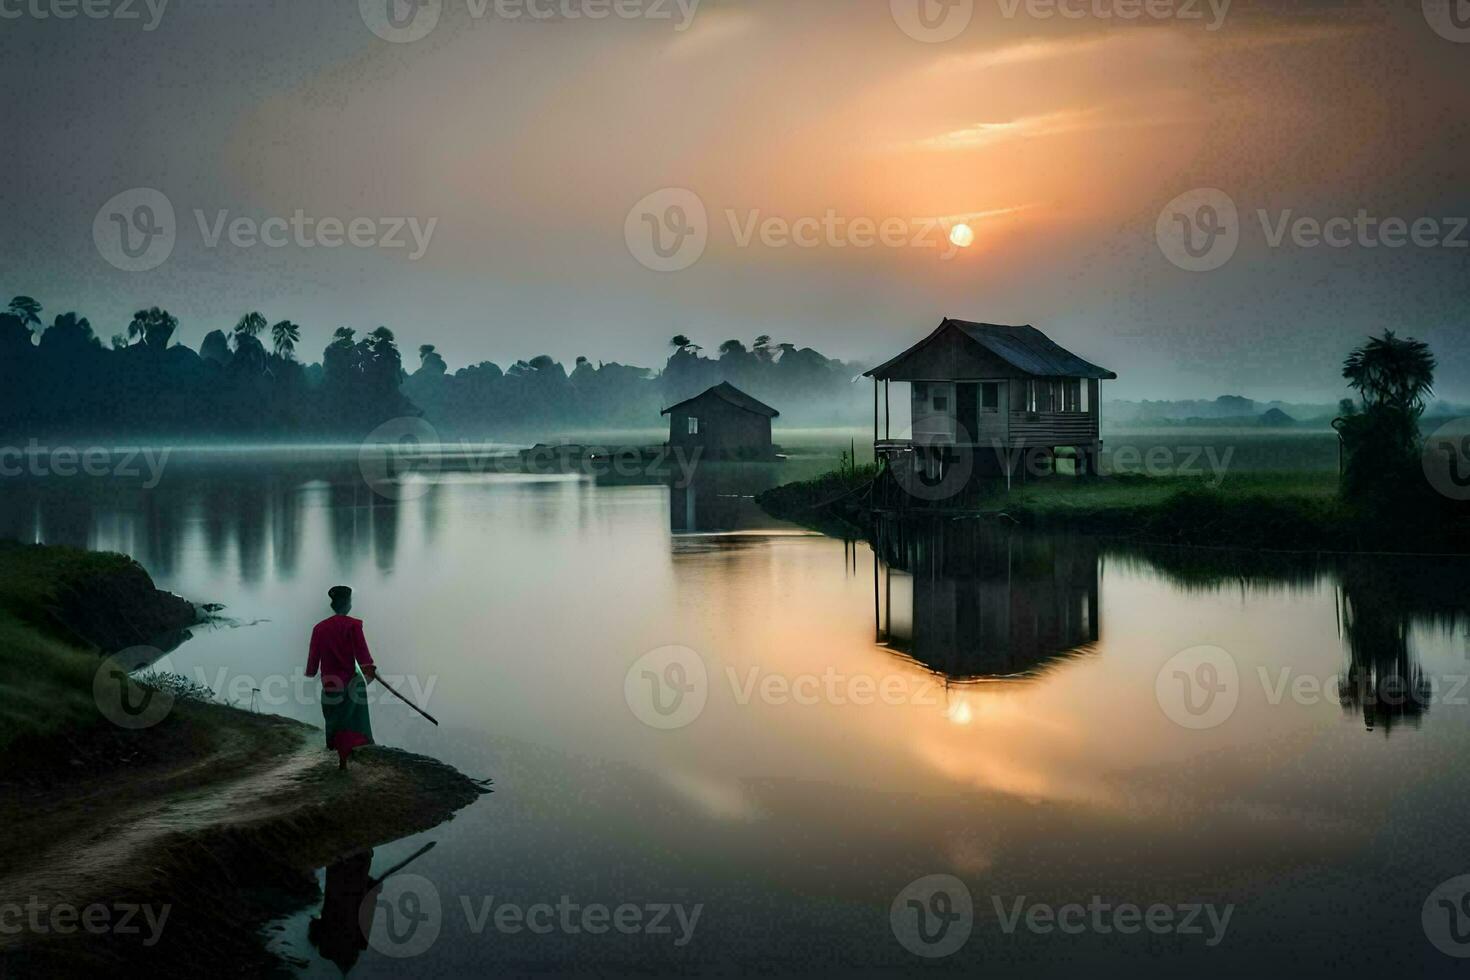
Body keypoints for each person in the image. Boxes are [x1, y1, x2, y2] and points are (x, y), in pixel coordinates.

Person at [306, 585, 378, 770]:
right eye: (350, 602)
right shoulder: (353, 626)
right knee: (353, 721)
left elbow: (314, 658)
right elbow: (363, 656)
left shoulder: (319, 629)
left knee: (336, 719)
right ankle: (347, 757)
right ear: (347, 604)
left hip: (330, 683)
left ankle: (340, 756)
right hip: (351, 683)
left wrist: (312, 671)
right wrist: (370, 669)